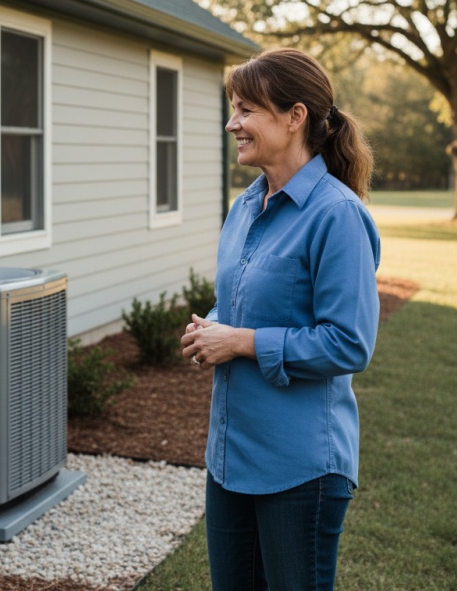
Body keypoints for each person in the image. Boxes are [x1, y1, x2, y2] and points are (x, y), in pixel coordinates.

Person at [181, 47, 380, 591]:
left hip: (301, 468)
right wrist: (213, 328)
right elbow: (243, 299)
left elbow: (349, 343)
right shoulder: (245, 206)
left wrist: (242, 342)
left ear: (295, 118)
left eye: (246, 109)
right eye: (233, 109)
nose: (232, 123)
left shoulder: (337, 216)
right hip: (230, 458)